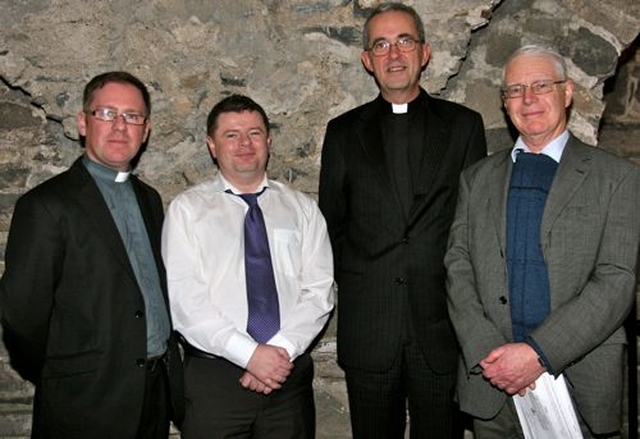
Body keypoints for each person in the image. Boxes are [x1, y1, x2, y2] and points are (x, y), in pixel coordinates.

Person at [445, 44, 640, 438]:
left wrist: (537, 353)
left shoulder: (617, 178)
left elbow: (616, 280)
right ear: (505, 102)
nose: (528, 99)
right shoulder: (476, 178)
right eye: (515, 90)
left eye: (540, 86)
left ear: (567, 92)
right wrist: (491, 354)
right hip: (493, 383)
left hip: (578, 381)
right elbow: (458, 265)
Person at [318, 2, 487, 438]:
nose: (394, 54)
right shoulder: (342, 132)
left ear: (425, 52)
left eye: (404, 41)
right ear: (367, 60)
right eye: (381, 44)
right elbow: (330, 226)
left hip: (441, 330)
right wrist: (363, 282)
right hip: (370, 329)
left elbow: (473, 225)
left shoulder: (464, 127)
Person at [0, 71, 184, 438]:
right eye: (107, 114)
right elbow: (21, 317)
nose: (120, 127)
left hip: (154, 394)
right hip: (86, 402)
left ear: (145, 131)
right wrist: (70, 372)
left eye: (132, 117)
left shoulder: (149, 199)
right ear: (83, 123)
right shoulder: (46, 206)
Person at [162, 94, 335, 439]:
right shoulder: (188, 210)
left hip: (288, 377)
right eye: (231, 135)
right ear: (212, 145)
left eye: (254, 133)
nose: (245, 143)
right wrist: (249, 354)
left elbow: (319, 291)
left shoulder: (302, 209)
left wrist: (277, 353)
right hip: (215, 381)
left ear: (268, 141)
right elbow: (185, 301)